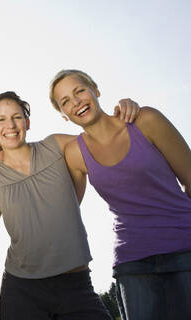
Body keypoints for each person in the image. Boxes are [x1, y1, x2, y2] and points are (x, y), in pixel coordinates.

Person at [0, 91, 140, 319]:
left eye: (16, 117)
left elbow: (100, 139)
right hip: (22, 289)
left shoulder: (56, 145)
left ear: (27, 122)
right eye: (1, 120)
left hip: (75, 284)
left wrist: (125, 109)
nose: (11, 125)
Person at [50, 69, 191, 320]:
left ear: (96, 89)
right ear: (64, 116)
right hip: (133, 263)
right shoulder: (75, 154)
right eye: (65, 102)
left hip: (185, 248)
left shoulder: (145, 120)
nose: (76, 102)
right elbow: (68, 211)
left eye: (79, 91)